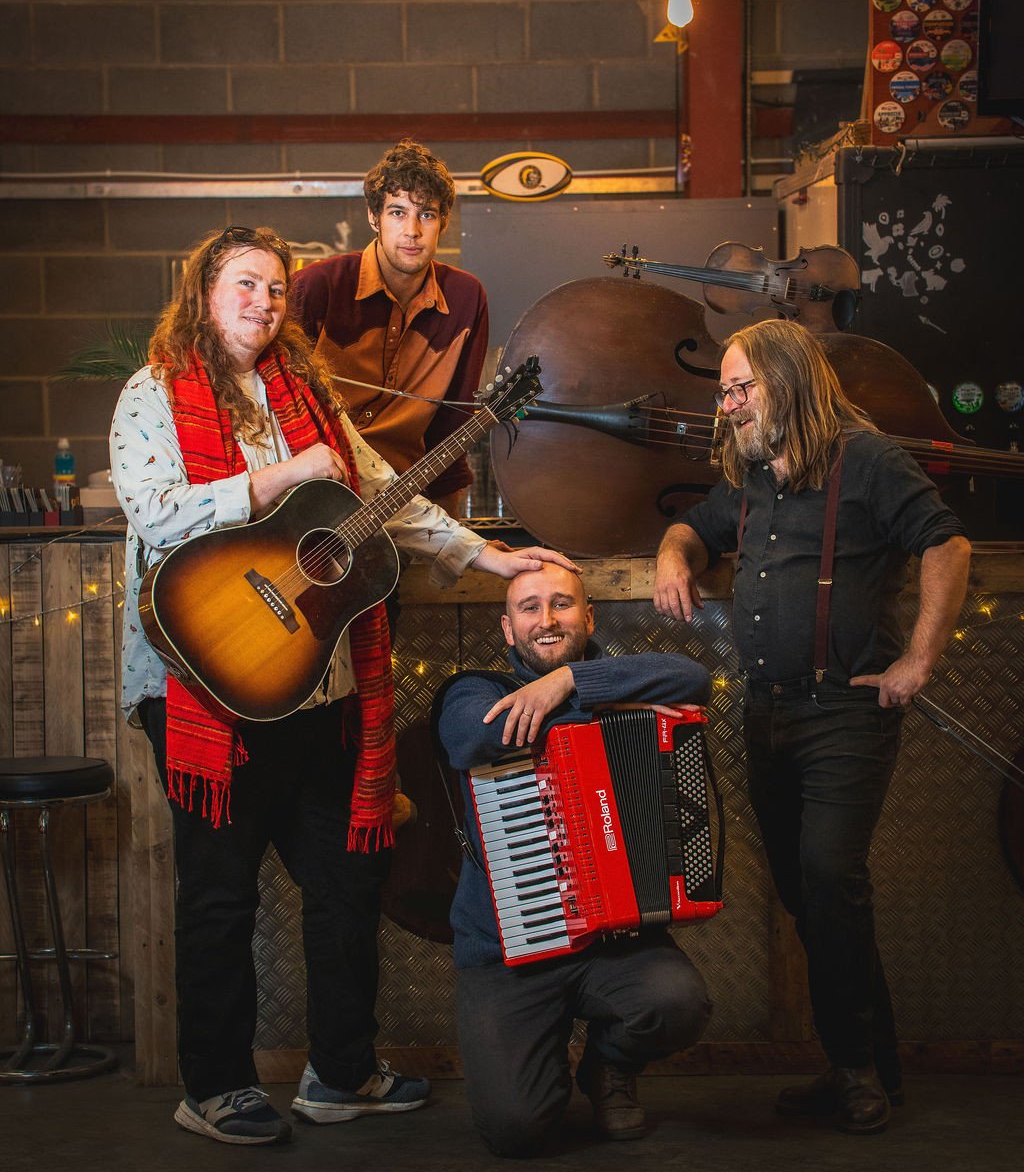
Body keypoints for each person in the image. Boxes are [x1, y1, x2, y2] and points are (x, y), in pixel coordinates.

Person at [109, 225, 576, 1148]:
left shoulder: (306, 393)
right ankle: (213, 1087)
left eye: (277, 289)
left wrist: (490, 555)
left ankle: (342, 1072)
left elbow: (385, 495)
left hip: (315, 687)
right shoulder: (155, 390)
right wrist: (283, 473)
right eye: (245, 284)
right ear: (205, 291)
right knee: (219, 895)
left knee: (347, 881)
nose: (264, 302)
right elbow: (153, 511)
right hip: (205, 686)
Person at [653, 319, 970, 1135]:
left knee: (829, 878)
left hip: (844, 715)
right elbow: (695, 526)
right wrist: (671, 555)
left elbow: (947, 544)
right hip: (766, 712)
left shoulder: (867, 460)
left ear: (787, 380)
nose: (725, 407)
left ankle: (855, 1072)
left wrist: (919, 663)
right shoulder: (753, 474)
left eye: (738, 389)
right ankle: (875, 1065)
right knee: (810, 894)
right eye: (722, 391)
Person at [436, 562, 713, 1157]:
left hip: (612, 942)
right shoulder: (472, 689)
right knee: (517, 1129)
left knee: (678, 1003)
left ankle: (607, 1068)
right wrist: (599, 706)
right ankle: (537, 1060)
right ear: (507, 629)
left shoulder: (619, 674)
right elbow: (472, 738)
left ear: (588, 618)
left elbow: (692, 677)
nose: (546, 618)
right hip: (507, 950)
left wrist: (567, 685)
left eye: (562, 604)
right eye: (529, 607)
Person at [292, 138, 489, 518]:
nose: (412, 230)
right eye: (398, 213)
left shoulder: (466, 298)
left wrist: (453, 529)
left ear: (443, 222)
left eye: (426, 215)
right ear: (374, 217)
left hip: (406, 500)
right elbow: (274, 406)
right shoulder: (319, 287)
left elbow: (454, 422)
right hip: (316, 499)